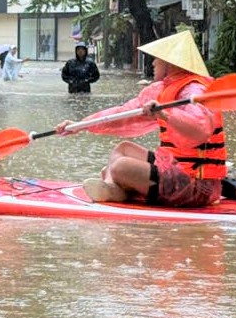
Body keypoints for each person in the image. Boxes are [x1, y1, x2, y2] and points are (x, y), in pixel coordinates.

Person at [55, 30, 227, 207]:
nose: (153, 63)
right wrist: (80, 125)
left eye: (157, 59)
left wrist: (164, 114)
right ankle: (113, 188)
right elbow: (123, 115)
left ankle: (118, 187)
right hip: (176, 169)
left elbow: (200, 130)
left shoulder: (195, 91)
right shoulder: (163, 89)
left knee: (120, 167)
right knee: (123, 150)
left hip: (198, 187)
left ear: (170, 63)